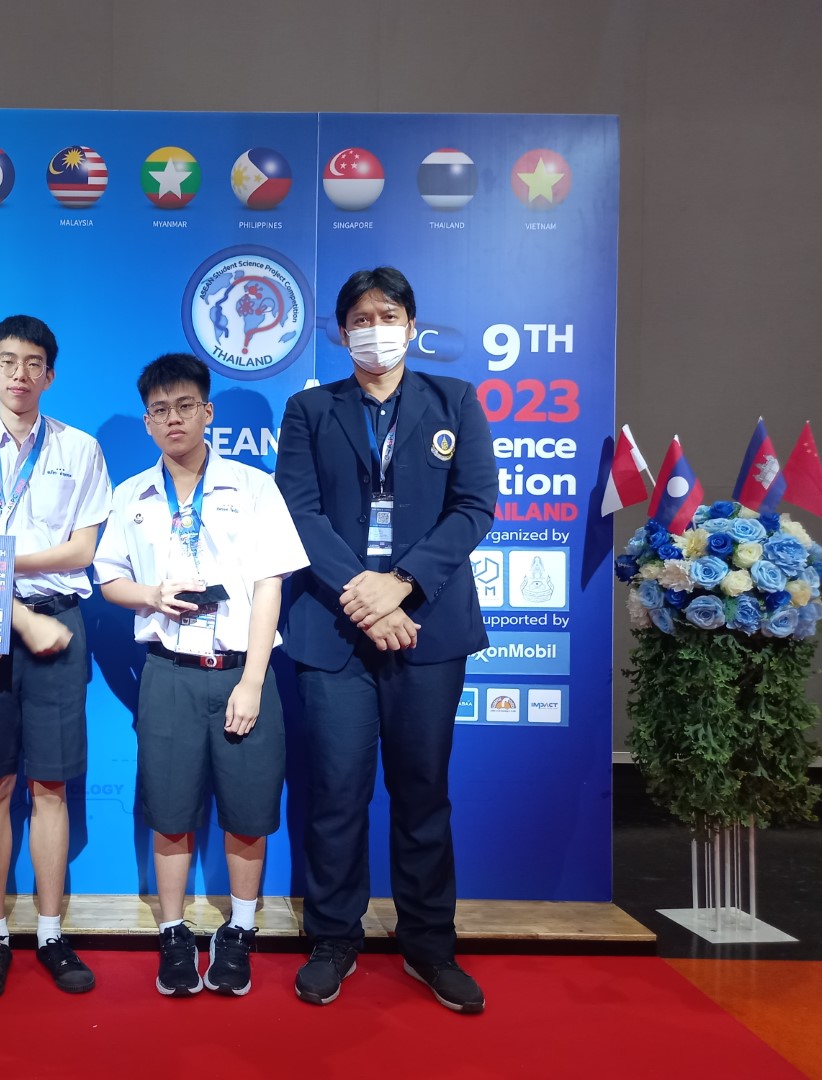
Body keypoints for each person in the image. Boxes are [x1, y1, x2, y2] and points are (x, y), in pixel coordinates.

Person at [275, 267, 496, 1013]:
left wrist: (400, 583)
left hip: (426, 625)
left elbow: (475, 506)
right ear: (342, 332)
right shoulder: (310, 410)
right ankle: (334, 938)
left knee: (423, 793)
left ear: (411, 325)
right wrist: (365, 596)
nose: (376, 328)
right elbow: (300, 513)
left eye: (389, 314)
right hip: (335, 629)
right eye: (362, 318)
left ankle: (429, 945)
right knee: (337, 792)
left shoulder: (454, 401)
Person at [92, 353, 307, 998]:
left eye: (185, 406)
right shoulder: (131, 496)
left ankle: (239, 930)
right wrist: (152, 595)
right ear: (147, 422)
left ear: (207, 412)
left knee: (248, 813)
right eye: (159, 410)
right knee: (170, 811)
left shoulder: (253, 487)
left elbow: (270, 586)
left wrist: (253, 681)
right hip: (168, 674)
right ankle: (174, 933)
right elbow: (109, 579)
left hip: (243, 671)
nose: (173, 419)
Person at [0, 314, 112, 1001]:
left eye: (33, 363)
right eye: (7, 362)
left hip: (59, 622)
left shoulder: (81, 448)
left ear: (50, 375)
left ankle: (50, 933)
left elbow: (82, 551)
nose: (20, 374)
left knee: (51, 786)